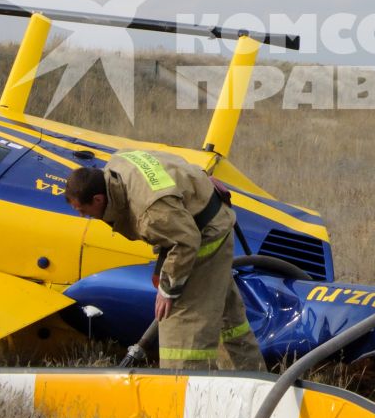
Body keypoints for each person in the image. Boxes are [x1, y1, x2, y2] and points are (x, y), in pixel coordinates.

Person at [64, 150, 259, 370]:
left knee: (181, 328)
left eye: (84, 210)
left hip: (202, 237)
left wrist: (168, 290)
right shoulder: (119, 162)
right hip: (201, 216)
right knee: (227, 319)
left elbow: (186, 242)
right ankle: (252, 379)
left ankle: (184, 388)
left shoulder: (150, 213)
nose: (83, 216)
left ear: (98, 199)